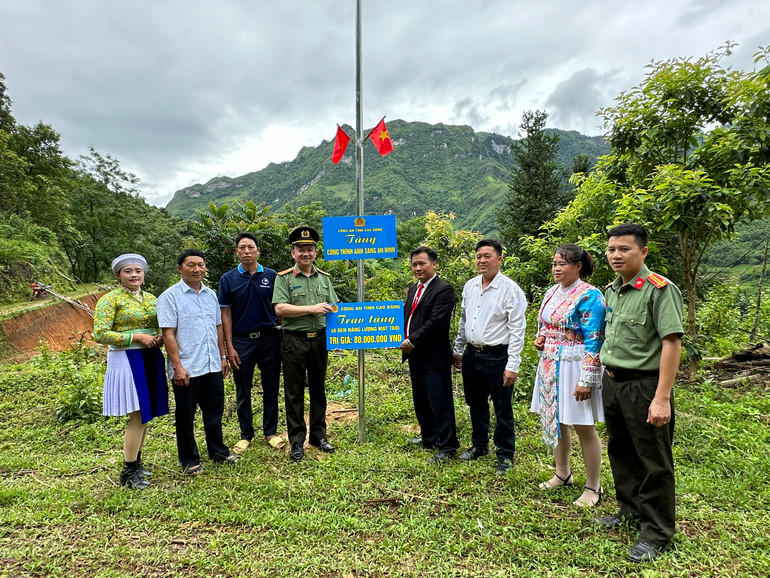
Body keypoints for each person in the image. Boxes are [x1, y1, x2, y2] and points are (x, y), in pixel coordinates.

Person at [598, 224, 683, 563]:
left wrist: (661, 397)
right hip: (613, 381)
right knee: (621, 450)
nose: (616, 255)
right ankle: (629, 510)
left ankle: (658, 530)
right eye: (611, 250)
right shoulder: (611, 291)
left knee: (653, 459)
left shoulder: (659, 290)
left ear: (643, 252)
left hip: (644, 385)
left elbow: (671, 343)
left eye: (624, 249)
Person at [531, 244, 606, 506]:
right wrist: (540, 337)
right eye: (554, 264)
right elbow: (546, 324)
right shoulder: (552, 292)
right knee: (556, 420)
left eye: (562, 264)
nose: (556, 269)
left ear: (578, 266)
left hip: (575, 364)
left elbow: (594, 338)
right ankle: (562, 473)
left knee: (584, 426)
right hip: (551, 364)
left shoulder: (590, 296)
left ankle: (593, 487)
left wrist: (587, 377)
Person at [156, 249, 239, 475]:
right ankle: (189, 459)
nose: (197, 269)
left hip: (211, 364)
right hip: (187, 369)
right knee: (185, 416)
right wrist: (178, 367)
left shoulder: (210, 295)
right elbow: (168, 334)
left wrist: (222, 357)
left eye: (200, 264)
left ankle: (218, 451)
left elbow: (218, 327)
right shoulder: (169, 297)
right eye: (191, 265)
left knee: (214, 412)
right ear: (180, 269)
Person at [93, 253, 169, 490]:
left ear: (144, 275)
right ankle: (128, 470)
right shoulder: (110, 300)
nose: (134, 275)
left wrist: (157, 337)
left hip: (150, 356)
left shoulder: (150, 298)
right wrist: (136, 336)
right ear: (118, 275)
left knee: (146, 413)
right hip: (127, 358)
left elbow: (159, 325)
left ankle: (136, 462)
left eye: (138, 271)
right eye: (128, 271)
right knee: (137, 413)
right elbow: (101, 333)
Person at [453, 239, 527, 475]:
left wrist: (512, 364)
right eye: (478, 256)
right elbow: (464, 321)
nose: (482, 260)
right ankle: (479, 445)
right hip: (472, 354)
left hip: (498, 356)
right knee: (475, 403)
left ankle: (505, 454)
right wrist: (458, 349)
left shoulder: (510, 290)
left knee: (502, 406)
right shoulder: (470, 286)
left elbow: (517, 330)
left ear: (499, 259)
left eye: (487, 256)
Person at [273, 226, 339, 462]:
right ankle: (297, 441)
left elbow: (334, 307)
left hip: (319, 340)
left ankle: (319, 436)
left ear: (315, 252)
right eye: (301, 249)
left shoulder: (324, 279)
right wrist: (311, 309)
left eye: (309, 249)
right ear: (293, 253)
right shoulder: (284, 279)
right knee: (294, 392)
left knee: (319, 390)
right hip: (293, 341)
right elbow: (280, 309)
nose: (305, 253)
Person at [218, 232, 283, 455]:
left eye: (251, 247)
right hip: (241, 341)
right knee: (243, 389)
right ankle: (246, 434)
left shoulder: (272, 276)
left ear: (258, 251)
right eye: (242, 247)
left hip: (270, 339)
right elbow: (225, 315)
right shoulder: (228, 279)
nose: (247, 251)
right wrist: (229, 347)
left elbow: (279, 308)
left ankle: (270, 433)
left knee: (271, 388)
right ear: (237, 251)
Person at [399, 246, 460, 463]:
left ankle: (448, 445)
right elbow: (407, 318)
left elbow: (436, 323)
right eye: (414, 264)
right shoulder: (415, 288)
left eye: (422, 263)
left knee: (439, 401)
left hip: (434, 356)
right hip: (415, 356)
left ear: (434, 264)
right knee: (421, 400)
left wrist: (412, 341)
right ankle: (429, 437)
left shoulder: (443, 289)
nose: (417, 268)